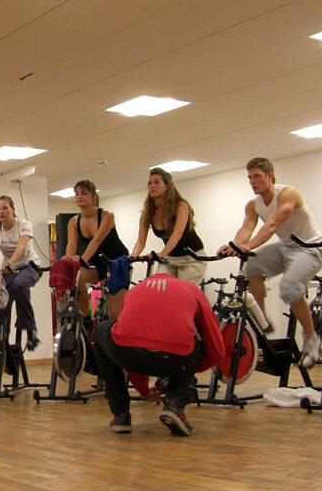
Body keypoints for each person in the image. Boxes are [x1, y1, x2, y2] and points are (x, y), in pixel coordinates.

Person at [218, 157, 322, 368]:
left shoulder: (287, 193)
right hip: (286, 247)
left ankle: (311, 338)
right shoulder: (253, 205)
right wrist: (235, 245)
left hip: (311, 248)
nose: (252, 181)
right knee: (252, 265)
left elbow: (273, 224)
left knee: (290, 287)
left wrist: (248, 246)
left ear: (269, 176)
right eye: (249, 177)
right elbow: (246, 228)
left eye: (257, 176)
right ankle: (262, 322)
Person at [91, 273, 225, 436]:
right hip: (177, 359)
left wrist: (144, 391)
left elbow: (132, 340)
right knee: (193, 343)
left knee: (102, 330)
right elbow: (216, 350)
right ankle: (175, 404)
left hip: (129, 354)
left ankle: (120, 415)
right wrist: (186, 374)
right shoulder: (192, 289)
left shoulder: (135, 290)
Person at [0, 195, 41, 350]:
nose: (1, 211)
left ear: (13, 210)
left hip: (29, 266)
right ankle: (2, 337)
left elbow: (21, 248)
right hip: (9, 269)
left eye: (5, 208)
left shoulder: (23, 225)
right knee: (1, 301)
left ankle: (30, 329)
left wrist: (10, 263)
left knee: (19, 285)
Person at [61, 180, 129, 320]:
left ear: (93, 196)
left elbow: (96, 240)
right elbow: (71, 244)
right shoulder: (74, 221)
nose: (79, 196)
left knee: (114, 313)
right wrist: (69, 259)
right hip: (97, 262)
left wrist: (81, 260)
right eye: (77, 193)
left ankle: (118, 330)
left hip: (117, 261)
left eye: (84, 193)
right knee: (76, 276)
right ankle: (85, 319)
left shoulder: (107, 215)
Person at [130, 167, 206, 283]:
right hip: (170, 258)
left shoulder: (180, 205)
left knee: (181, 291)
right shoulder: (147, 212)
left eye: (157, 182)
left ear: (167, 186)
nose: (152, 186)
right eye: (150, 183)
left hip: (192, 257)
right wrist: (134, 255)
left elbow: (177, 233)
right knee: (158, 287)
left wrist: (162, 253)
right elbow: (140, 241)